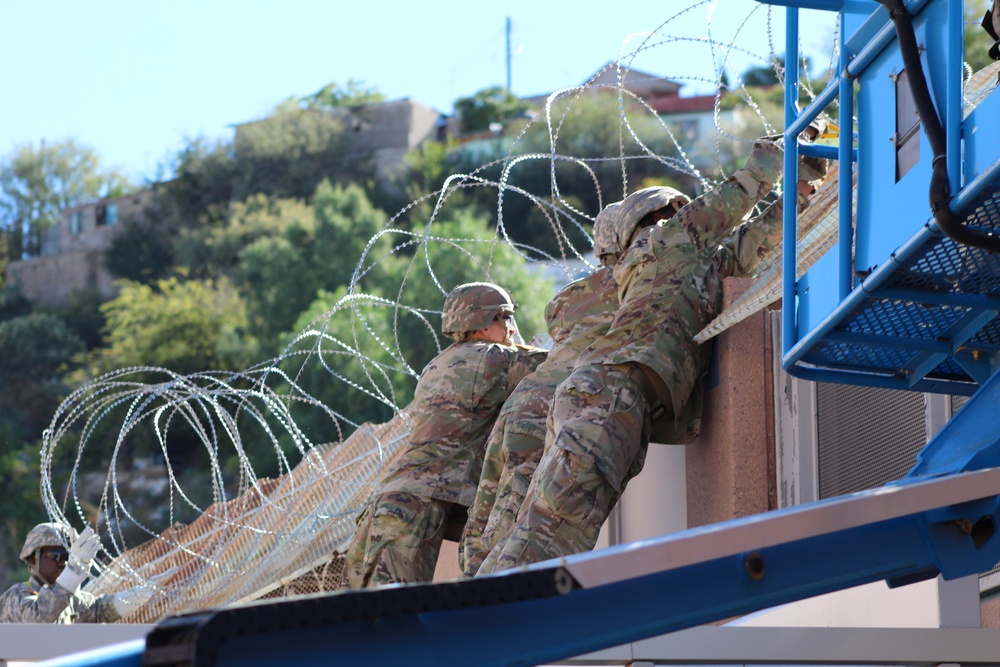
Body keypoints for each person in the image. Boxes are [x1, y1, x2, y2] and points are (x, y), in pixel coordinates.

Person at [477, 135, 827, 573]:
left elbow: (754, 242)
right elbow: (736, 197)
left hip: (612, 397)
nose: (683, 215)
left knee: (554, 522)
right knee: (554, 526)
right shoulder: (662, 241)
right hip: (609, 393)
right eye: (673, 210)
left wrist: (804, 184)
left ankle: (487, 600)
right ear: (652, 220)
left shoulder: (693, 265)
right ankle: (491, 614)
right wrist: (780, 151)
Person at [460, 199, 687, 577]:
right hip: (565, 402)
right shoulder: (644, 272)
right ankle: (495, 610)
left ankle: (470, 598)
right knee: (541, 525)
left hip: (526, 403)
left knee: (497, 524)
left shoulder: (573, 296)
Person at [339, 282, 547, 588]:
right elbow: (557, 364)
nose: (511, 328)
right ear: (479, 322)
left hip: (394, 501)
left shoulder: (438, 364)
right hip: (416, 505)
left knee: (362, 619)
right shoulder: (493, 359)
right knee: (397, 618)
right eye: (503, 317)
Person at [0, 522, 153, 623]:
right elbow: (39, 617)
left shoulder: (69, 600)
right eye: (56, 556)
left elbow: (98, 610)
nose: (63, 562)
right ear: (33, 558)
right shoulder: (16, 597)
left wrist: (138, 595)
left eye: (68, 557)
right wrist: (73, 571)